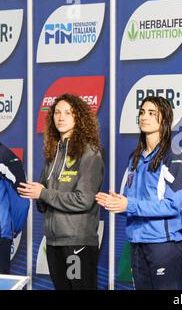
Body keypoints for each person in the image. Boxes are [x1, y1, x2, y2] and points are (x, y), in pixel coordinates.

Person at [96, 96, 182, 290]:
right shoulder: (136, 157)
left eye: (151, 113)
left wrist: (128, 205)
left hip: (163, 245)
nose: (144, 117)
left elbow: (172, 206)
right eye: (142, 112)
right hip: (137, 243)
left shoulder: (175, 158)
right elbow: (132, 201)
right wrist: (117, 203)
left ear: (164, 119)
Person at [18, 94, 104, 290]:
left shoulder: (89, 153)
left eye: (68, 113)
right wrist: (35, 193)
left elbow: (84, 200)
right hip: (54, 241)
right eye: (57, 112)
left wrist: (44, 194)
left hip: (78, 242)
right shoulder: (54, 153)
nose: (61, 117)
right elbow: (44, 196)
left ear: (79, 118)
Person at [0, 143, 30, 274]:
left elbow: (21, 197)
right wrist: (13, 228)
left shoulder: (4, 156)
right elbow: (22, 199)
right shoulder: (4, 154)